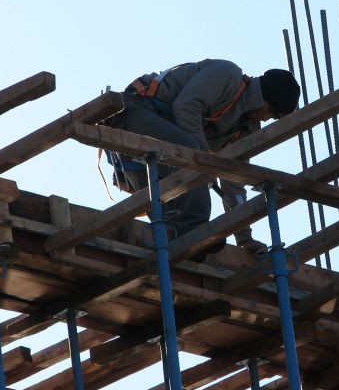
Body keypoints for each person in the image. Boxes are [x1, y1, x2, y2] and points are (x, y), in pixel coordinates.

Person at [106, 58, 301, 259]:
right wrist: (206, 163)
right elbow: (186, 108)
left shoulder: (244, 130)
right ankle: (194, 228)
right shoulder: (228, 76)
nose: (268, 119)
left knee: (169, 220)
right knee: (193, 154)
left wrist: (244, 237)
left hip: (159, 155)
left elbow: (234, 184)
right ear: (265, 99)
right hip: (136, 115)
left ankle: (184, 238)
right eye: (273, 113)